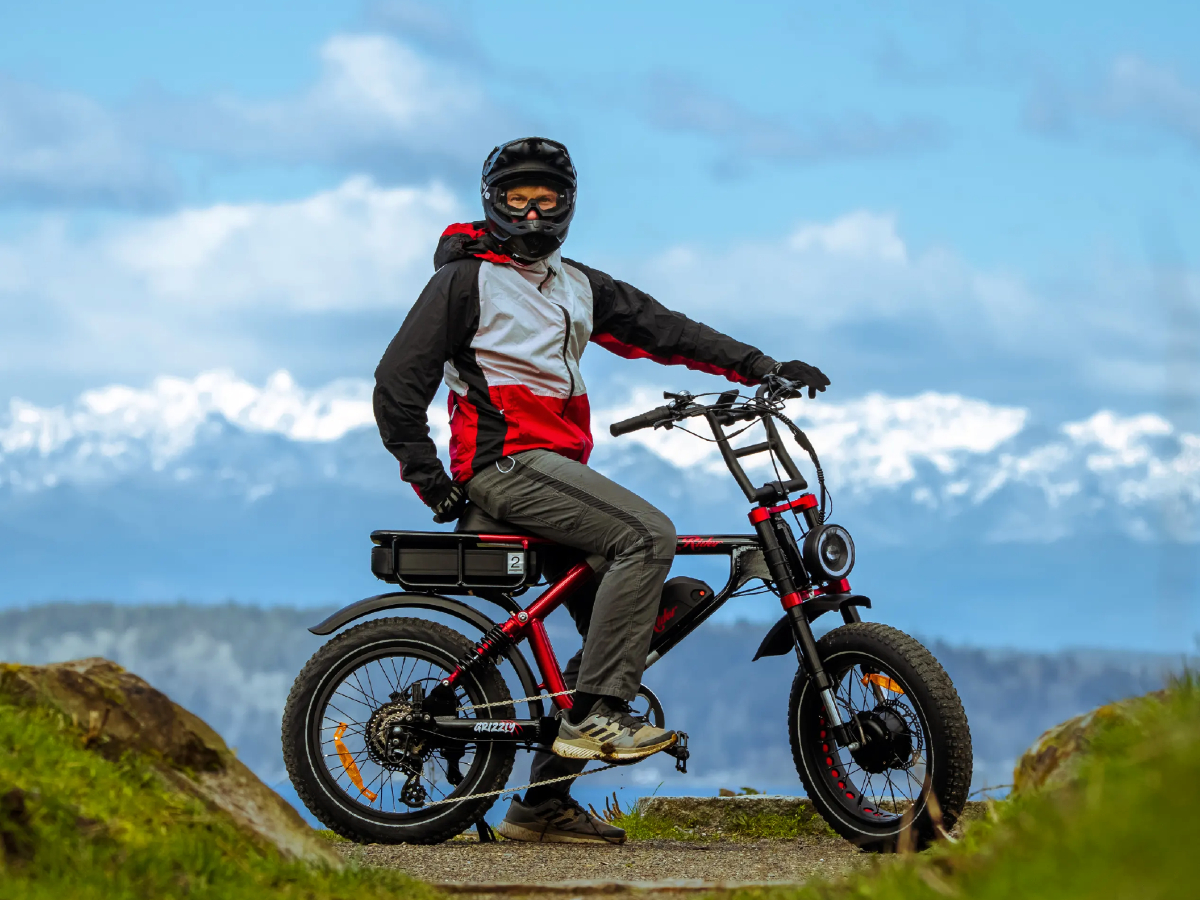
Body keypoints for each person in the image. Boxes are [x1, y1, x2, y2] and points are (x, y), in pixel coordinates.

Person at [373, 137, 829, 844]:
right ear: (492, 203)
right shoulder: (463, 283)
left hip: (556, 473)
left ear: (568, 205)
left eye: (546, 197)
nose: (531, 211)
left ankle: (542, 805)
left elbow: (665, 330)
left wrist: (759, 365)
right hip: (507, 466)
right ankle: (596, 717)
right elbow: (397, 386)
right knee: (646, 535)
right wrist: (434, 485)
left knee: (641, 624)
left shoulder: (578, 285)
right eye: (517, 197)